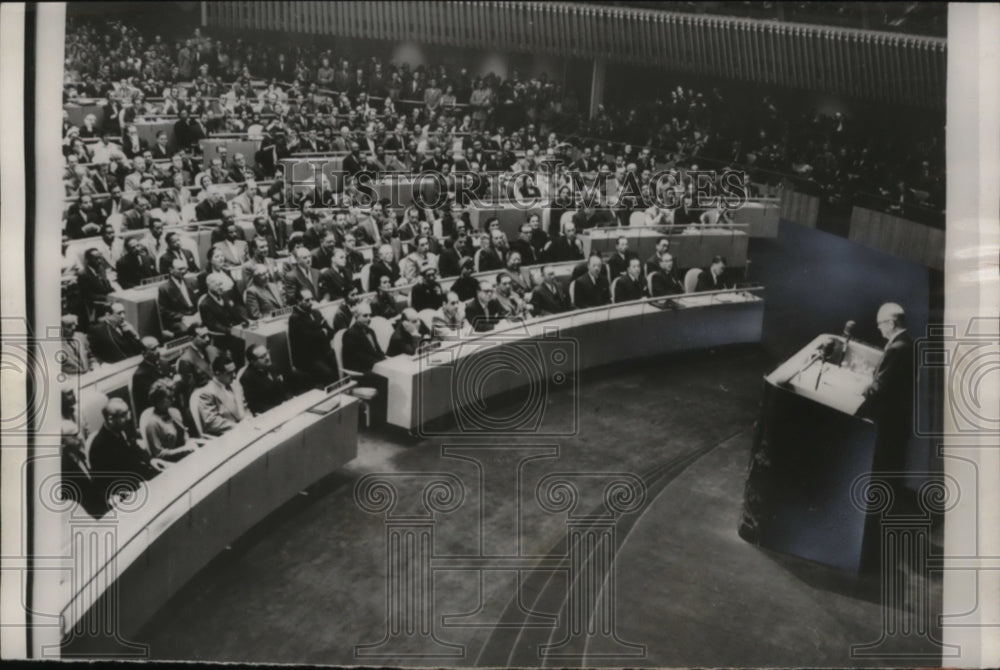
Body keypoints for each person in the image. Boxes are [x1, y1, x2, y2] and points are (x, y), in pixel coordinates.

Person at [861, 303, 915, 478]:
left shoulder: (896, 349)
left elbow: (879, 389)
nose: (878, 328)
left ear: (891, 324)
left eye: (880, 324)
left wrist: (862, 389)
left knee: (882, 468)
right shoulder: (907, 342)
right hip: (900, 419)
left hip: (890, 420)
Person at [88, 397, 166, 504]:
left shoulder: (122, 427)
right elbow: (105, 481)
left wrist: (150, 460)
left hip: (139, 480)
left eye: (128, 412)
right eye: (123, 415)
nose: (128, 418)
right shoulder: (98, 447)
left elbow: (135, 449)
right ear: (110, 419)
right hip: (126, 492)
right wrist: (137, 483)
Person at [288, 289, 340, 386]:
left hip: (323, 352)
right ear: (298, 301)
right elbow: (307, 338)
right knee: (328, 373)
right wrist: (322, 332)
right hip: (308, 358)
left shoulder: (316, 312)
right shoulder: (294, 318)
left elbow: (331, 331)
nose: (311, 302)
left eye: (311, 299)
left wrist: (320, 332)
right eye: (307, 300)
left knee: (341, 363)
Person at [138, 379, 198, 461]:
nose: (173, 400)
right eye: (169, 397)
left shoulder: (174, 411)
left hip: (188, 452)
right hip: (173, 461)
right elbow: (159, 454)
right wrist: (183, 450)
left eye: (173, 396)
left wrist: (188, 443)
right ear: (158, 400)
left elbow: (184, 433)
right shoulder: (152, 423)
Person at [193, 355, 248, 436]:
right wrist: (238, 427)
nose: (234, 375)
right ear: (217, 374)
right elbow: (212, 422)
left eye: (234, 371)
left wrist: (249, 419)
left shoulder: (235, 384)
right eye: (229, 373)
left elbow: (245, 406)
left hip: (245, 428)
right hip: (227, 435)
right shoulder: (207, 393)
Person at [240, 344, 292, 415]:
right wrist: (279, 410)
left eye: (267, 353)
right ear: (253, 362)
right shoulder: (247, 378)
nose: (267, 357)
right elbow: (255, 405)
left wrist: (290, 400)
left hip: (286, 406)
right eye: (262, 357)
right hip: (271, 413)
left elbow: (284, 388)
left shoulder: (273, 366)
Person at [158, 257, 201, 337]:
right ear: (171, 270)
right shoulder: (164, 288)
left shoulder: (192, 281)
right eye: (180, 269)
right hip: (179, 318)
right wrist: (182, 317)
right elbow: (164, 311)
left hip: (196, 314)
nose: (184, 272)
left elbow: (200, 300)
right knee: (184, 330)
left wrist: (198, 313)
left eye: (186, 269)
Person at [342, 300, 387, 372]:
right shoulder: (350, 334)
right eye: (365, 315)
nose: (369, 318)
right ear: (356, 317)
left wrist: (385, 360)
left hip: (374, 365)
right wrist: (380, 364)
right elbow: (359, 358)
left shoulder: (371, 331)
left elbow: (378, 351)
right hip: (360, 369)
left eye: (370, 315)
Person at [131, 336, 169, 418]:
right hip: (156, 414)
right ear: (144, 353)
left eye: (158, 347)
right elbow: (148, 401)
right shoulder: (139, 375)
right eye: (153, 349)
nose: (158, 351)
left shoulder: (164, 363)